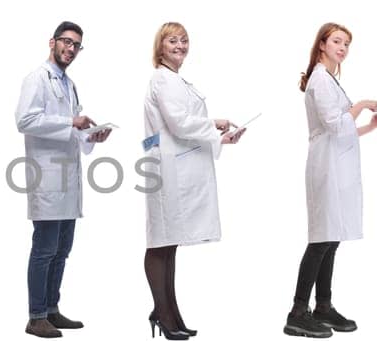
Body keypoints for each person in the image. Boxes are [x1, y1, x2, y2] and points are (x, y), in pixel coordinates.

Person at [140, 21, 246, 341]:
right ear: (160, 46)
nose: (180, 46)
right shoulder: (162, 78)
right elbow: (179, 123)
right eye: (173, 40)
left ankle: (168, 312)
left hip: (173, 165)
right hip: (168, 168)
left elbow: (183, 119)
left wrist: (215, 124)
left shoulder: (175, 80)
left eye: (184, 41)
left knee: (169, 242)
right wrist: (214, 132)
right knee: (161, 241)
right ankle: (163, 312)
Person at [283, 22, 377, 339]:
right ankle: (297, 313)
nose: (343, 48)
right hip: (325, 166)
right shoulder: (319, 79)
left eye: (347, 44)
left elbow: (342, 130)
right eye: (337, 42)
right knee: (320, 240)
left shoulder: (328, 80)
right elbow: (332, 122)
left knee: (332, 236)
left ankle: (323, 306)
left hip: (336, 164)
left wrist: (370, 126)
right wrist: (360, 105)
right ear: (322, 45)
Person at [15, 21, 110, 339]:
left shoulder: (69, 84)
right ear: (52, 42)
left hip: (68, 180)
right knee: (44, 249)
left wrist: (93, 135)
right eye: (66, 42)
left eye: (76, 46)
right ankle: (36, 316)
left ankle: (52, 310)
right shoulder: (37, 78)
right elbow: (24, 120)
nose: (70, 49)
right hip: (47, 177)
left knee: (62, 249)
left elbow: (75, 133)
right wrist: (71, 120)